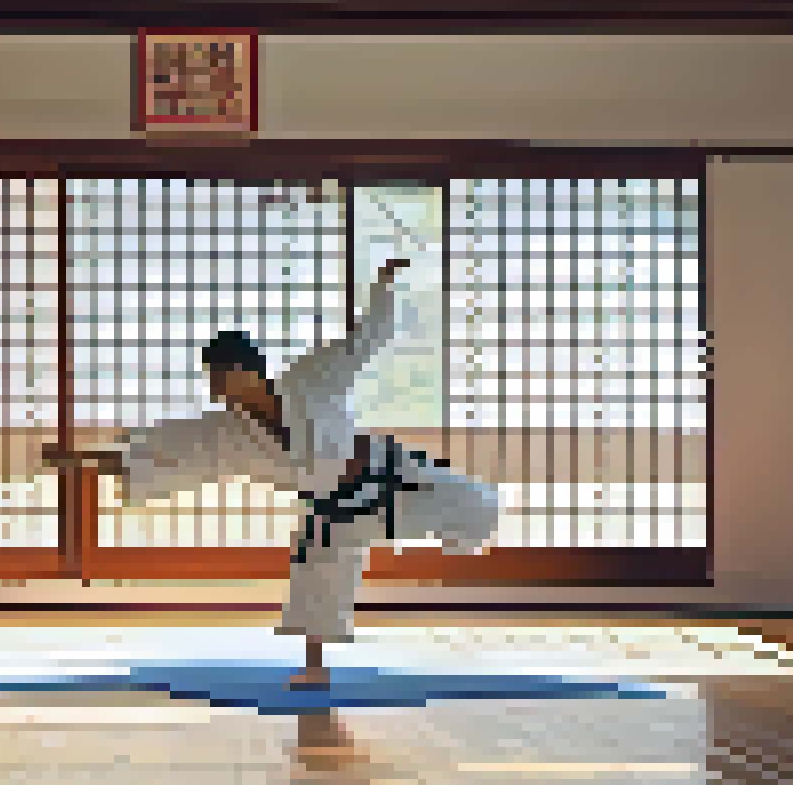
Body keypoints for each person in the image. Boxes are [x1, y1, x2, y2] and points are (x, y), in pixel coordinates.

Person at [44, 258, 502, 688]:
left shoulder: (312, 378)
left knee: (472, 502)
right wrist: (77, 460)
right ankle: (315, 667)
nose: (217, 390)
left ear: (245, 370)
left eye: (220, 378)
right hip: (332, 508)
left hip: (386, 470)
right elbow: (152, 452)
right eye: (213, 382)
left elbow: (367, 339)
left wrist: (383, 286)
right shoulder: (224, 430)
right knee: (316, 579)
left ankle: (469, 535)